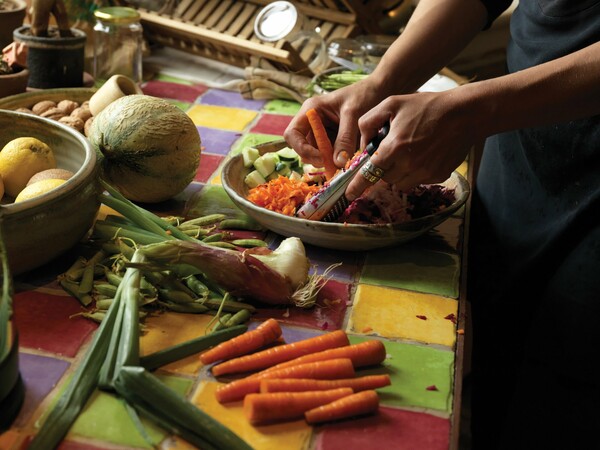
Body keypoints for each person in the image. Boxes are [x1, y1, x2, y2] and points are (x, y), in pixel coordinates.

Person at [283, 1, 600, 449]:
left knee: (562, 408)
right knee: (493, 370)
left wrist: (475, 111)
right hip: (520, 160)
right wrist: (382, 81)